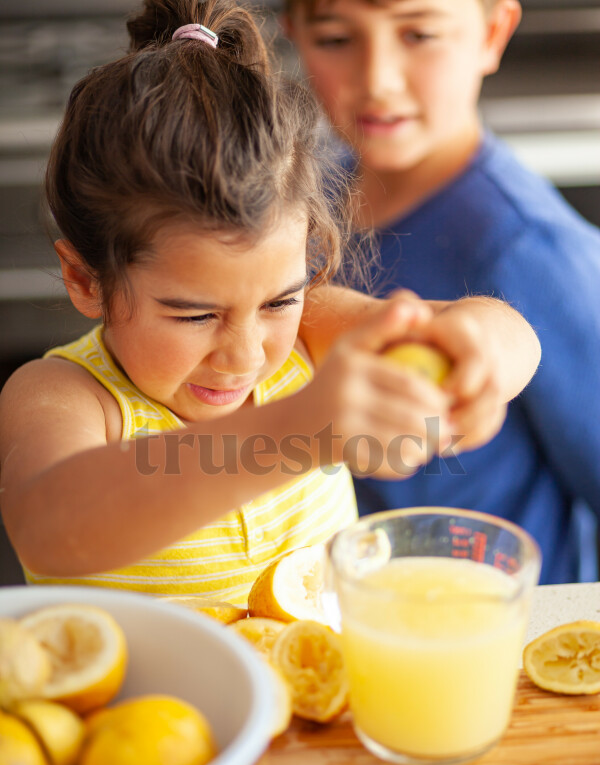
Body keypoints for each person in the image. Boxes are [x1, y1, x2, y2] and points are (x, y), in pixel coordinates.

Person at [0, 0, 539, 606]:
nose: (245, 353)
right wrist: (303, 429)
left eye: (277, 300)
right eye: (196, 314)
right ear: (86, 280)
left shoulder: (311, 331)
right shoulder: (64, 395)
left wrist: (478, 354)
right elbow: (50, 529)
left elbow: (509, 332)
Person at [284, 0, 600, 584]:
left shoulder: (533, 251)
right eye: (334, 39)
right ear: (293, 35)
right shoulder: (301, 189)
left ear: (493, 32)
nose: (377, 78)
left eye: (420, 33)